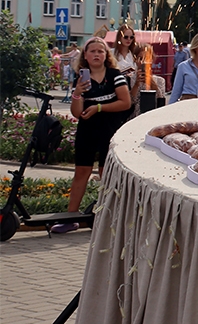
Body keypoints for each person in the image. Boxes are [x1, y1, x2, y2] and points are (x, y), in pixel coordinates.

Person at [53, 37, 132, 233]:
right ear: (85, 56)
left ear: (106, 55)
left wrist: (99, 107)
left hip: (110, 129)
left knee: (106, 173)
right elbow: (76, 112)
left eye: (100, 51)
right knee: (81, 172)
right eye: (93, 51)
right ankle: (71, 217)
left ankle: (110, 218)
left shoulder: (115, 75)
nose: (97, 54)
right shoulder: (80, 78)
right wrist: (77, 93)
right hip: (87, 130)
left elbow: (125, 102)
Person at [113, 26, 144, 119]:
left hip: (132, 89)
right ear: (119, 37)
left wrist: (140, 67)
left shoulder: (134, 54)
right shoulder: (112, 54)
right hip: (116, 89)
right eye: (126, 37)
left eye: (131, 37)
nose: (129, 39)